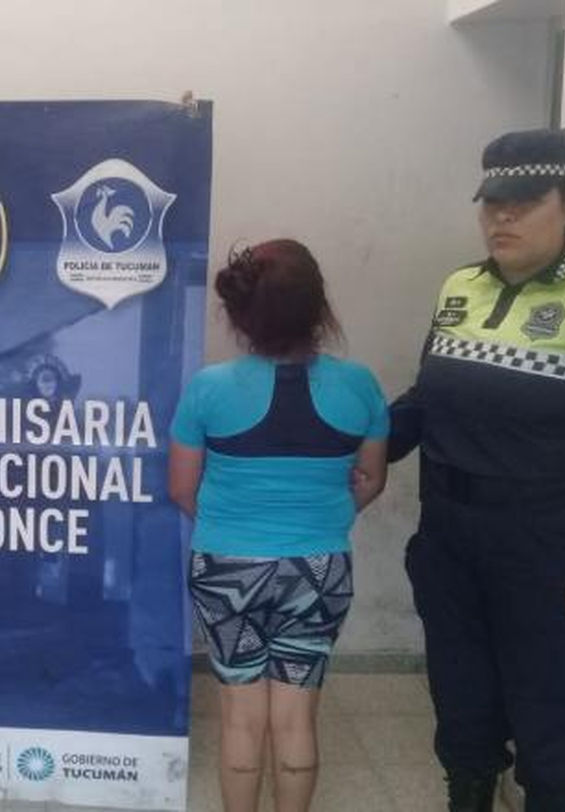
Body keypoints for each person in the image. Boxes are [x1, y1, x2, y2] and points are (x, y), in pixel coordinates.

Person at [388, 127, 565, 812]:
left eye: (525, 202)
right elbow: (427, 400)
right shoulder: (459, 286)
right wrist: (357, 443)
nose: (503, 217)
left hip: (550, 547)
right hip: (450, 537)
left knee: (554, 729)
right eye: (493, 202)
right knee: (463, 706)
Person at [168, 239, 389, 812]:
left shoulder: (208, 388)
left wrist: (232, 528)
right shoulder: (360, 385)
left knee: (240, 720)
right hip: (318, 570)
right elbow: (371, 480)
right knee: (296, 719)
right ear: (319, 307)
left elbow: (182, 489)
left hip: (225, 568)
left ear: (242, 314)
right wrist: (322, 520)